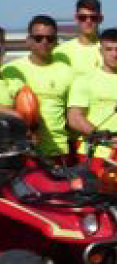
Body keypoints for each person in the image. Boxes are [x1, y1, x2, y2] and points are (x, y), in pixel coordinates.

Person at [1, 15, 74, 161]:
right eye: (38, 38)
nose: (44, 42)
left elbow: (73, 115)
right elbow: (3, 110)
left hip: (58, 151)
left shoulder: (68, 72)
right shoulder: (11, 70)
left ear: (56, 42)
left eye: (50, 38)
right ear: (28, 41)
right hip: (22, 153)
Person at [66, 29, 117, 170]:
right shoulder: (84, 81)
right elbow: (74, 118)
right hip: (93, 155)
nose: (114, 54)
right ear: (101, 51)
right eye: (109, 49)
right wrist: (103, 137)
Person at [56, 0, 104, 74]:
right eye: (83, 17)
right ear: (76, 18)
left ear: (101, 19)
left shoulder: (113, 51)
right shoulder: (61, 51)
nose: (88, 21)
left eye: (93, 17)